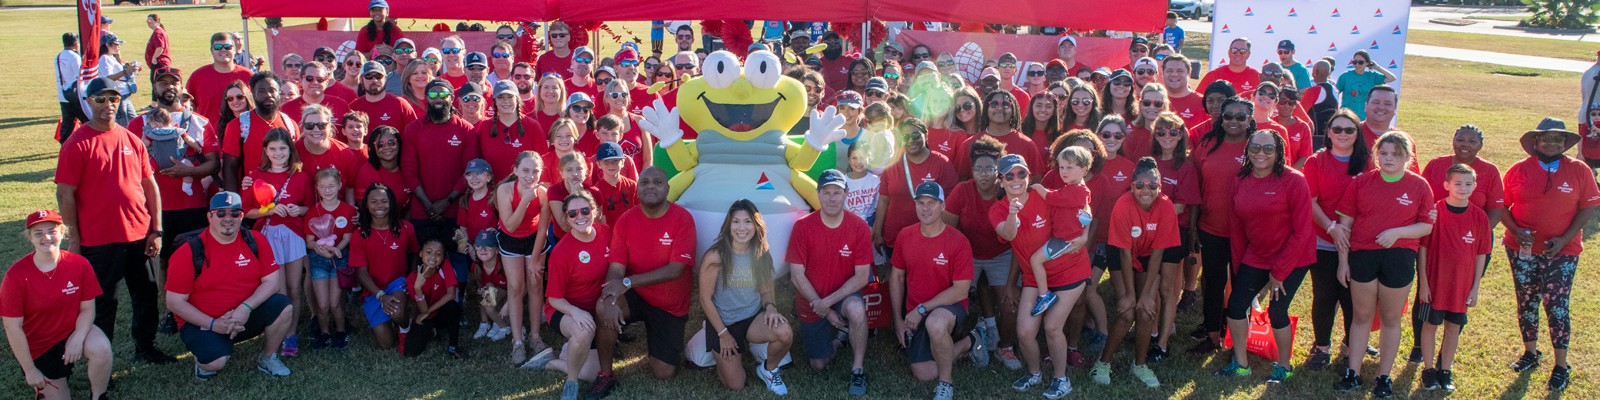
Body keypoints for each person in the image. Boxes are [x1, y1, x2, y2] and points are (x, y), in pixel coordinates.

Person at [56, 77, 175, 364]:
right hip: (99, 240)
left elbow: (150, 187)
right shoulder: (76, 144)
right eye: (101, 99)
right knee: (103, 305)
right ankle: (101, 361)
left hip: (139, 235)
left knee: (146, 295)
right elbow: (65, 194)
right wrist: (74, 238)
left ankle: (145, 347)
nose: (108, 105)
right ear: (88, 102)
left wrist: (156, 229)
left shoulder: (131, 139)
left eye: (114, 99)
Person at [1333, 131, 1435, 398]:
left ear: (1407, 157)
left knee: (1390, 319)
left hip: (1399, 258)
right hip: (1363, 255)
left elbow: (1426, 224)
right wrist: (1343, 262)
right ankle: (1352, 373)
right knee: (1361, 317)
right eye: (1383, 153)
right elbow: (1345, 227)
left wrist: (1397, 233)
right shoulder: (1361, 183)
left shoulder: (1419, 185)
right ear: (1375, 155)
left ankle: (1383, 377)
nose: (1388, 158)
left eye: (1395, 154)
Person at [1500, 117, 1599, 391]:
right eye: (1546, 138)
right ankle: (1530, 354)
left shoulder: (1579, 170)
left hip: (1563, 251)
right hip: (1521, 249)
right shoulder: (1518, 170)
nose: (1552, 143)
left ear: (1565, 143)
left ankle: (1560, 365)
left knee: (1556, 305)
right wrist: (1517, 231)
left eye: (1558, 139)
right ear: (1535, 141)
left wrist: (1565, 238)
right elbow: (1501, 206)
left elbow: (1587, 208)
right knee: (1527, 299)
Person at [1214, 130, 1316, 383]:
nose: (1261, 153)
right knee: (1236, 306)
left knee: (1277, 311)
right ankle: (1241, 363)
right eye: (1255, 147)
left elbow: (1303, 231)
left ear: (1279, 152)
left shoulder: (1294, 180)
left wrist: (1280, 272)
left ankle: (1283, 365)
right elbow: (1236, 229)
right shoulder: (1240, 179)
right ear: (1247, 150)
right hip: (1256, 255)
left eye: (1268, 148)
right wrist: (1239, 268)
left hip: (1293, 256)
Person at [590, 167, 698, 398]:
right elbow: (616, 268)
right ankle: (605, 374)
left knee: (664, 372)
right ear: (637, 189)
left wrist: (628, 282)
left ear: (667, 189)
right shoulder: (626, 220)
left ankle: (656, 336)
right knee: (603, 306)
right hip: (638, 295)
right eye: (645, 182)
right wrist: (609, 299)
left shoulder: (683, 219)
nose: (650, 186)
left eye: (657, 182)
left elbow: (675, 269)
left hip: (669, 305)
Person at [166, 191, 295, 379]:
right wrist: (213, 324)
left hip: (244, 315)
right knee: (214, 363)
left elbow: (272, 282)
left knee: (283, 306)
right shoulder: (189, 251)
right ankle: (205, 360)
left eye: (234, 213)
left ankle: (268, 358)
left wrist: (245, 308)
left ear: (241, 216)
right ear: (210, 216)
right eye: (220, 213)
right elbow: (174, 302)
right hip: (204, 321)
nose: (228, 219)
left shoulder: (255, 240)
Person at [995, 151, 1085, 398]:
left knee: (1053, 326)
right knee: (1024, 331)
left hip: (1069, 270)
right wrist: (1013, 213)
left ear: (1028, 175)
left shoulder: (1044, 196)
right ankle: (1034, 373)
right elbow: (1009, 235)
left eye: (1021, 173)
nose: (1016, 179)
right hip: (1035, 278)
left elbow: (1080, 201)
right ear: (1000, 180)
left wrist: (1085, 234)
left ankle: (1061, 379)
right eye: (1009, 175)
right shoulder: (998, 209)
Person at [1, 210, 112, 400]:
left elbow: (87, 309)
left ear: (62, 233)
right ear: (30, 238)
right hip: (39, 345)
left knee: (101, 347)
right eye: (38, 233)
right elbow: (13, 328)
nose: (46, 237)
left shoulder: (79, 264)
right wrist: (30, 370)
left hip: (70, 330)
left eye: (52, 231)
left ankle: (99, 396)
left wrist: (78, 336)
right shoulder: (16, 275)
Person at [690, 200, 795, 395]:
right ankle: (711, 348)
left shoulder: (761, 253)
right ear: (729, 225)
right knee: (735, 384)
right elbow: (705, 299)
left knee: (785, 332)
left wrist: (771, 307)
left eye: (747, 222)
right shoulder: (715, 256)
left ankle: (769, 370)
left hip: (751, 318)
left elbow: (765, 292)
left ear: (756, 225)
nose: (742, 228)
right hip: (723, 323)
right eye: (736, 222)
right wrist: (723, 334)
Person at [1094, 157, 1180, 387]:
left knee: (1146, 311)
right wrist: (1132, 295)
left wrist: (1146, 296)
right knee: (1127, 310)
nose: (1146, 190)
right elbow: (1123, 254)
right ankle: (1103, 363)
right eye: (1140, 185)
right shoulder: (1122, 205)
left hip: (1148, 255)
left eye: (1153, 185)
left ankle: (1139, 365)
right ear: (1132, 185)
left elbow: (1158, 254)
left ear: (1160, 187)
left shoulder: (1166, 207)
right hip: (1121, 254)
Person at [787, 170, 874, 394]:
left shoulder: (860, 227)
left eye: (837, 192)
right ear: (818, 194)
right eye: (826, 192)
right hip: (812, 299)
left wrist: (829, 304)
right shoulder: (803, 226)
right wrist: (822, 307)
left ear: (846, 194)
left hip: (842, 295)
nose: (832, 198)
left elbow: (863, 276)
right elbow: (797, 275)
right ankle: (839, 340)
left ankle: (858, 370)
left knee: (856, 310)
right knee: (818, 365)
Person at [892, 181, 978, 400]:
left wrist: (921, 309)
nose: (925, 208)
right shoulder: (905, 235)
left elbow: (961, 291)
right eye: (920, 203)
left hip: (949, 308)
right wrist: (898, 320)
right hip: (916, 312)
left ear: (942, 206)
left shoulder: (958, 241)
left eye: (932, 203)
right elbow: (897, 277)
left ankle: (946, 384)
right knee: (923, 373)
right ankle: (972, 341)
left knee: (935, 323)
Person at [1299, 109, 1371, 370]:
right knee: (1324, 296)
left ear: (1357, 133)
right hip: (1323, 238)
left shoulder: (1368, 162)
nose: (1342, 134)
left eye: (1349, 130)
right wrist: (1331, 227)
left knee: (1353, 299)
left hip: (1359, 244)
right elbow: (1311, 201)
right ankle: (1321, 348)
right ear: (1328, 132)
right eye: (1337, 129)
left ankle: (1351, 348)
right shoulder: (1316, 162)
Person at [524, 193, 608, 399]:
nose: (580, 216)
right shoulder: (562, 252)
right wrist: (575, 312)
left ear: (594, 212)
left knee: (591, 373)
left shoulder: (605, 231)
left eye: (585, 210)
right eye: (573, 213)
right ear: (567, 219)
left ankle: (552, 361)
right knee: (583, 332)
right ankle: (571, 383)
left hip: (594, 309)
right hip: (562, 309)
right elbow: (553, 299)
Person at [1187, 96, 1254, 354]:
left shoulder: (1257, 146)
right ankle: (1212, 334)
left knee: (1240, 288)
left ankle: (1236, 337)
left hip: (1246, 234)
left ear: (1250, 120)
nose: (1234, 121)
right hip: (1211, 227)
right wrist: (1193, 228)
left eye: (1240, 117)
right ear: (1221, 118)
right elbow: (1196, 189)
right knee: (1212, 282)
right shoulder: (1207, 144)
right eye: (1228, 116)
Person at [1416, 164, 1491, 392]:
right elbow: (1423, 250)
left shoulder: (1479, 217)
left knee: (1453, 327)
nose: (1463, 188)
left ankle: (1445, 370)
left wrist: (1475, 287)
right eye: (1457, 183)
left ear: (1475, 186)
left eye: (1468, 184)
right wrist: (1424, 284)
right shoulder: (1435, 212)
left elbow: (1481, 254)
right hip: (1435, 284)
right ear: (1447, 185)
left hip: (1462, 286)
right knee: (1430, 325)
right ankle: (1428, 370)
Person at [240, 128, 312, 356]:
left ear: (290, 150)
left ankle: (291, 335)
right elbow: (245, 212)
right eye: (273, 149)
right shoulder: (255, 176)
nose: (278, 153)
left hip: (293, 235)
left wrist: (296, 209)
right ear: (265, 150)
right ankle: (276, 332)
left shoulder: (300, 176)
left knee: (293, 288)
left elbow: (309, 206)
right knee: (277, 290)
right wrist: (268, 209)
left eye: (283, 148)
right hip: (269, 237)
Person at [495, 151, 550, 365]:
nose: (530, 175)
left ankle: (535, 336)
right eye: (525, 170)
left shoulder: (544, 193)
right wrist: (525, 200)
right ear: (515, 170)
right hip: (511, 239)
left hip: (534, 240)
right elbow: (509, 225)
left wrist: (535, 259)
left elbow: (543, 228)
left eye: (535, 171)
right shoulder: (505, 189)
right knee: (516, 287)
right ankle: (517, 341)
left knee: (535, 283)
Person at [874, 119, 959, 259]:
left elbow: (951, 204)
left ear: (925, 135)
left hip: (929, 236)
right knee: (897, 278)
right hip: (895, 236)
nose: (911, 140)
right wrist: (877, 233)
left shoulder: (942, 163)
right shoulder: (892, 164)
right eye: (905, 137)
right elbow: (883, 200)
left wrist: (944, 235)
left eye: (916, 135)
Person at [351, 183, 420, 351]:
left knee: (396, 311)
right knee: (387, 345)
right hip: (374, 290)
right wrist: (381, 296)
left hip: (397, 283)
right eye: (373, 202)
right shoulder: (360, 235)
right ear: (366, 205)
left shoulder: (405, 228)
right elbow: (361, 273)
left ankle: (405, 328)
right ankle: (396, 321)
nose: (379, 206)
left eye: (384, 201)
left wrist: (411, 278)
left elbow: (415, 253)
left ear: (391, 203)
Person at [303, 168, 355, 350]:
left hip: (339, 259)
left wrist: (335, 249)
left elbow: (348, 238)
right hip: (318, 261)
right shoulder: (312, 212)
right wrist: (318, 247)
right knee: (323, 304)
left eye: (331, 186)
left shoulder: (347, 210)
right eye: (322, 186)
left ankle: (341, 332)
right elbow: (309, 241)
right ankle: (324, 333)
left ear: (339, 186)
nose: (327, 190)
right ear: (316, 188)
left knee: (335, 303)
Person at [221, 72, 295, 192]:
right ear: (253, 94)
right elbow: (230, 167)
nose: (268, 95)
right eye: (261, 91)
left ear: (279, 93)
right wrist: (233, 202)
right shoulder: (238, 125)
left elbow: (295, 162)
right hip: (252, 199)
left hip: (286, 196)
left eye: (272, 90)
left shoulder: (289, 124)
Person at [402, 238, 462, 358]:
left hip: (440, 313)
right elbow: (423, 310)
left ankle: (453, 347)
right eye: (429, 252)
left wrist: (428, 312)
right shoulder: (412, 278)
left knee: (453, 306)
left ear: (443, 257)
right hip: (424, 316)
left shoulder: (445, 266)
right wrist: (418, 288)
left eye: (438, 254)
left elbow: (451, 294)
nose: (433, 257)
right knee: (410, 352)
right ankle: (432, 332)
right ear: (421, 253)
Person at [187, 33, 254, 126]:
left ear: (234, 49)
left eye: (227, 46)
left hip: (241, 134)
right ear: (211, 50)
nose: (223, 50)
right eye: (218, 47)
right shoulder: (197, 76)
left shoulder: (248, 75)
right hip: (207, 136)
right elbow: (189, 107)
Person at [349, 61, 418, 133]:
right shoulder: (354, 107)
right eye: (368, 76)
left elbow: (414, 134)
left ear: (385, 79)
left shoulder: (400, 104)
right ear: (361, 79)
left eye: (378, 76)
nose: (374, 80)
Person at [282, 63, 350, 127]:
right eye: (309, 78)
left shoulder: (341, 106)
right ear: (301, 81)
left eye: (320, 79)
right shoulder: (286, 109)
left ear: (326, 83)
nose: (315, 82)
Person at [1336, 51, 1395, 120]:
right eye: (1355, 62)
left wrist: (1377, 68)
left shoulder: (1372, 76)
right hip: (1347, 116)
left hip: (1365, 117)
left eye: (1360, 62)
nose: (1357, 64)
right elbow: (1335, 94)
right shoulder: (1345, 76)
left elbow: (1391, 78)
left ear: (1367, 63)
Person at [56, 32, 86, 143]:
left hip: (63, 94)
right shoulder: (74, 57)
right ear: (76, 43)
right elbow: (80, 75)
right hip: (76, 95)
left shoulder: (58, 56)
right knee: (87, 120)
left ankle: (64, 144)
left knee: (67, 123)